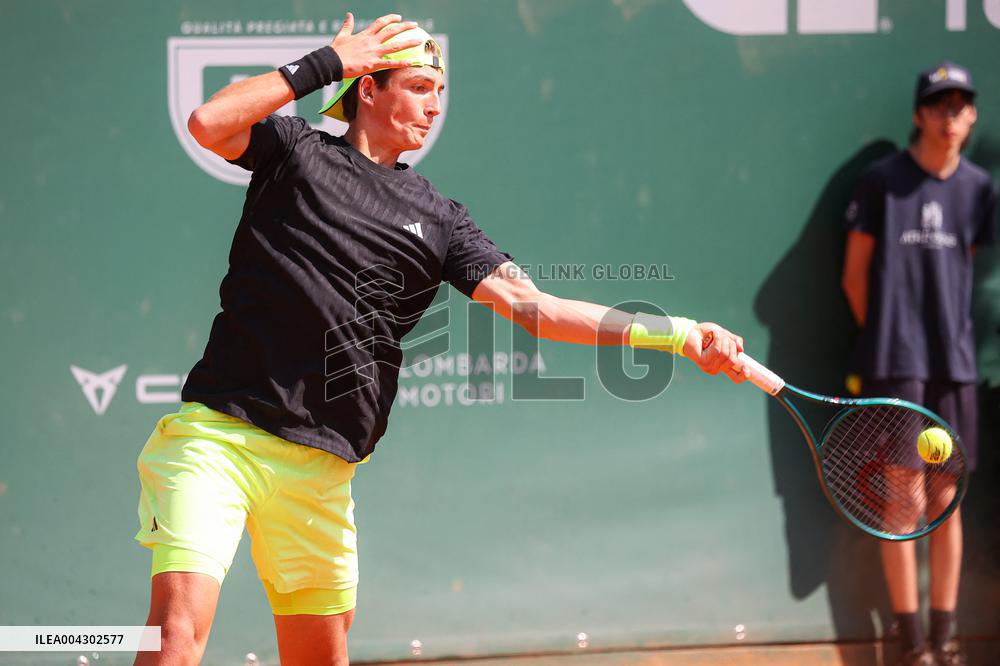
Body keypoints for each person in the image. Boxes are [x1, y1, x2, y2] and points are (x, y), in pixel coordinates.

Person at [132, 12, 748, 665]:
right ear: (368, 90)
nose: (433, 107)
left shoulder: (443, 220)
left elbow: (535, 307)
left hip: (322, 471)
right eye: (420, 87)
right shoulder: (294, 151)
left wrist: (678, 335)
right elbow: (207, 124)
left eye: (440, 93)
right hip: (221, 440)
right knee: (175, 638)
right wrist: (327, 61)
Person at [841, 62, 997, 666]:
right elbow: (855, 279)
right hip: (894, 366)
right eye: (937, 104)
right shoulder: (881, 182)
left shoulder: (981, 190)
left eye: (960, 105)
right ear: (917, 114)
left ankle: (946, 637)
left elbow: (965, 268)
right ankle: (911, 646)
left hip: (952, 368)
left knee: (944, 499)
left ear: (973, 115)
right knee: (902, 502)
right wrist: (889, 341)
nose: (949, 115)